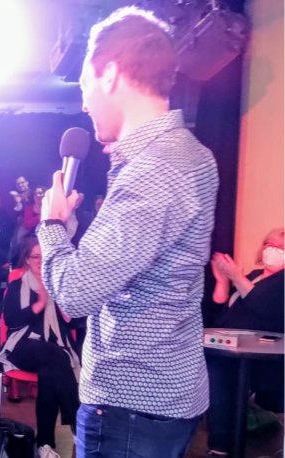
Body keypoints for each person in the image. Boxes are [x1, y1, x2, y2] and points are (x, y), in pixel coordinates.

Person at [36, 7, 219, 456]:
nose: (84, 103)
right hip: (164, 395)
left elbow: (76, 293)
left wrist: (52, 226)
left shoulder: (154, 169)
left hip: (128, 405)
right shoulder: (191, 154)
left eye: (85, 85)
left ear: (112, 74)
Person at [0, 238, 80, 458]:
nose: (40, 261)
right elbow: (12, 320)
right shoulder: (17, 286)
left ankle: (45, 444)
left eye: (44, 256)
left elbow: (74, 322)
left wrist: (65, 307)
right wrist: (39, 305)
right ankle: (77, 423)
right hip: (22, 344)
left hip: (54, 348)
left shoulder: (59, 285)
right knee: (54, 355)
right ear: (26, 259)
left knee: (49, 369)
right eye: (35, 256)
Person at [206, 228, 284, 456]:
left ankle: (221, 446)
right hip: (228, 348)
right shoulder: (253, 276)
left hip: (264, 360)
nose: (272, 250)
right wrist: (222, 281)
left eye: (281, 248)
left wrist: (236, 277)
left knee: (221, 371)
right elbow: (220, 313)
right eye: (269, 244)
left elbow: (264, 308)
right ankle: (220, 443)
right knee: (215, 366)